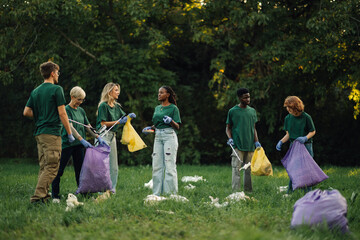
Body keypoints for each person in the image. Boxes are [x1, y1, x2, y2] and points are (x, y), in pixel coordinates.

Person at [23, 61, 75, 204]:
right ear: (52, 73)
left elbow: (26, 112)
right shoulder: (56, 89)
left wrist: (42, 116)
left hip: (39, 133)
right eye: (57, 72)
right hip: (51, 133)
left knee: (44, 166)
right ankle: (37, 197)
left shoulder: (36, 91)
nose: (58, 75)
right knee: (52, 166)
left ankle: (44, 197)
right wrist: (69, 133)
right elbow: (63, 113)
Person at [51, 86, 107, 202]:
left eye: (82, 100)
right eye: (79, 99)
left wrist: (97, 136)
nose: (80, 102)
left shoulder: (81, 110)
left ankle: (85, 194)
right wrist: (81, 139)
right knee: (59, 170)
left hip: (78, 146)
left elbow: (87, 126)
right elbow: (70, 127)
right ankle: (55, 195)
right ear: (72, 97)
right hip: (67, 144)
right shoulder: (66, 110)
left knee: (81, 171)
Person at [96, 82, 136, 193]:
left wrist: (129, 117)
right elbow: (103, 123)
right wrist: (119, 122)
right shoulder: (103, 106)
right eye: (116, 90)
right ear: (109, 92)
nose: (118, 92)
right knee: (103, 166)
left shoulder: (117, 106)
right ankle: (100, 192)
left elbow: (123, 118)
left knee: (114, 166)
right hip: (103, 136)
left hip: (112, 136)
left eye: (118, 90)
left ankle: (111, 191)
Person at [142, 86, 181, 196]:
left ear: (168, 95)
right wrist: (150, 128)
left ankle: (171, 194)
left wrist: (171, 121)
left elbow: (177, 126)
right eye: (158, 92)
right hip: (158, 137)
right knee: (157, 165)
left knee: (169, 166)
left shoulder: (173, 108)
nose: (159, 94)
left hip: (169, 136)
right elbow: (158, 123)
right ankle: (156, 193)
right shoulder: (157, 108)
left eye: (161, 92)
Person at [276, 96, 316, 193]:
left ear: (296, 107)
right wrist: (281, 141)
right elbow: (288, 135)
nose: (287, 109)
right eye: (287, 107)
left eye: (289, 107)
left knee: (306, 170)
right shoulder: (288, 118)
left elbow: (313, 131)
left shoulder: (306, 117)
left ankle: (308, 193)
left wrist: (305, 137)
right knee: (293, 169)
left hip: (306, 146)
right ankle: (290, 192)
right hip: (293, 146)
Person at [226, 88, 261, 193]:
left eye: (249, 97)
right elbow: (228, 128)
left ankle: (248, 191)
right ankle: (236, 193)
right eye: (245, 97)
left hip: (250, 145)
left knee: (248, 170)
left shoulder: (252, 111)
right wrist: (230, 139)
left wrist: (256, 141)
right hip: (237, 145)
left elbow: (253, 128)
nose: (248, 99)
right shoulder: (232, 111)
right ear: (239, 98)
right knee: (236, 169)